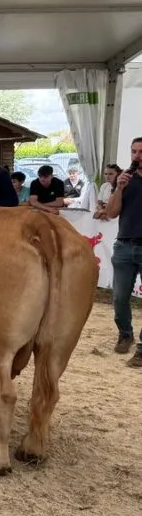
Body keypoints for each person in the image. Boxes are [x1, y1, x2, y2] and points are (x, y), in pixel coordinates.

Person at [104, 137, 142, 365]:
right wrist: (118, 188)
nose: (136, 156)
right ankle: (125, 334)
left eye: (140, 151)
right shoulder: (124, 180)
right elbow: (111, 212)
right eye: (133, 151)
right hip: (125, 244)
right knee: (119, 297)